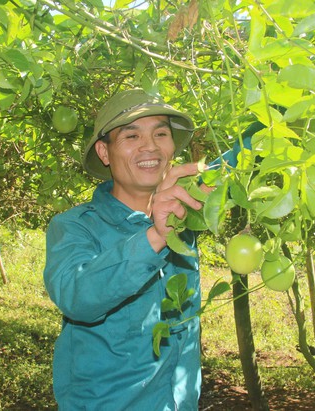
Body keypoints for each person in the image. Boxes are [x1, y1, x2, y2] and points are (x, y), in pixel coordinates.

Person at [43, 89, 206, 410]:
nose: (150, 146)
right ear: (104, 152)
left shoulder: (183, 225)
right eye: (132, 135)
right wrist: (155, 237)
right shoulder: (75, 226)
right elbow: (77, 297)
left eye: (161, 133)